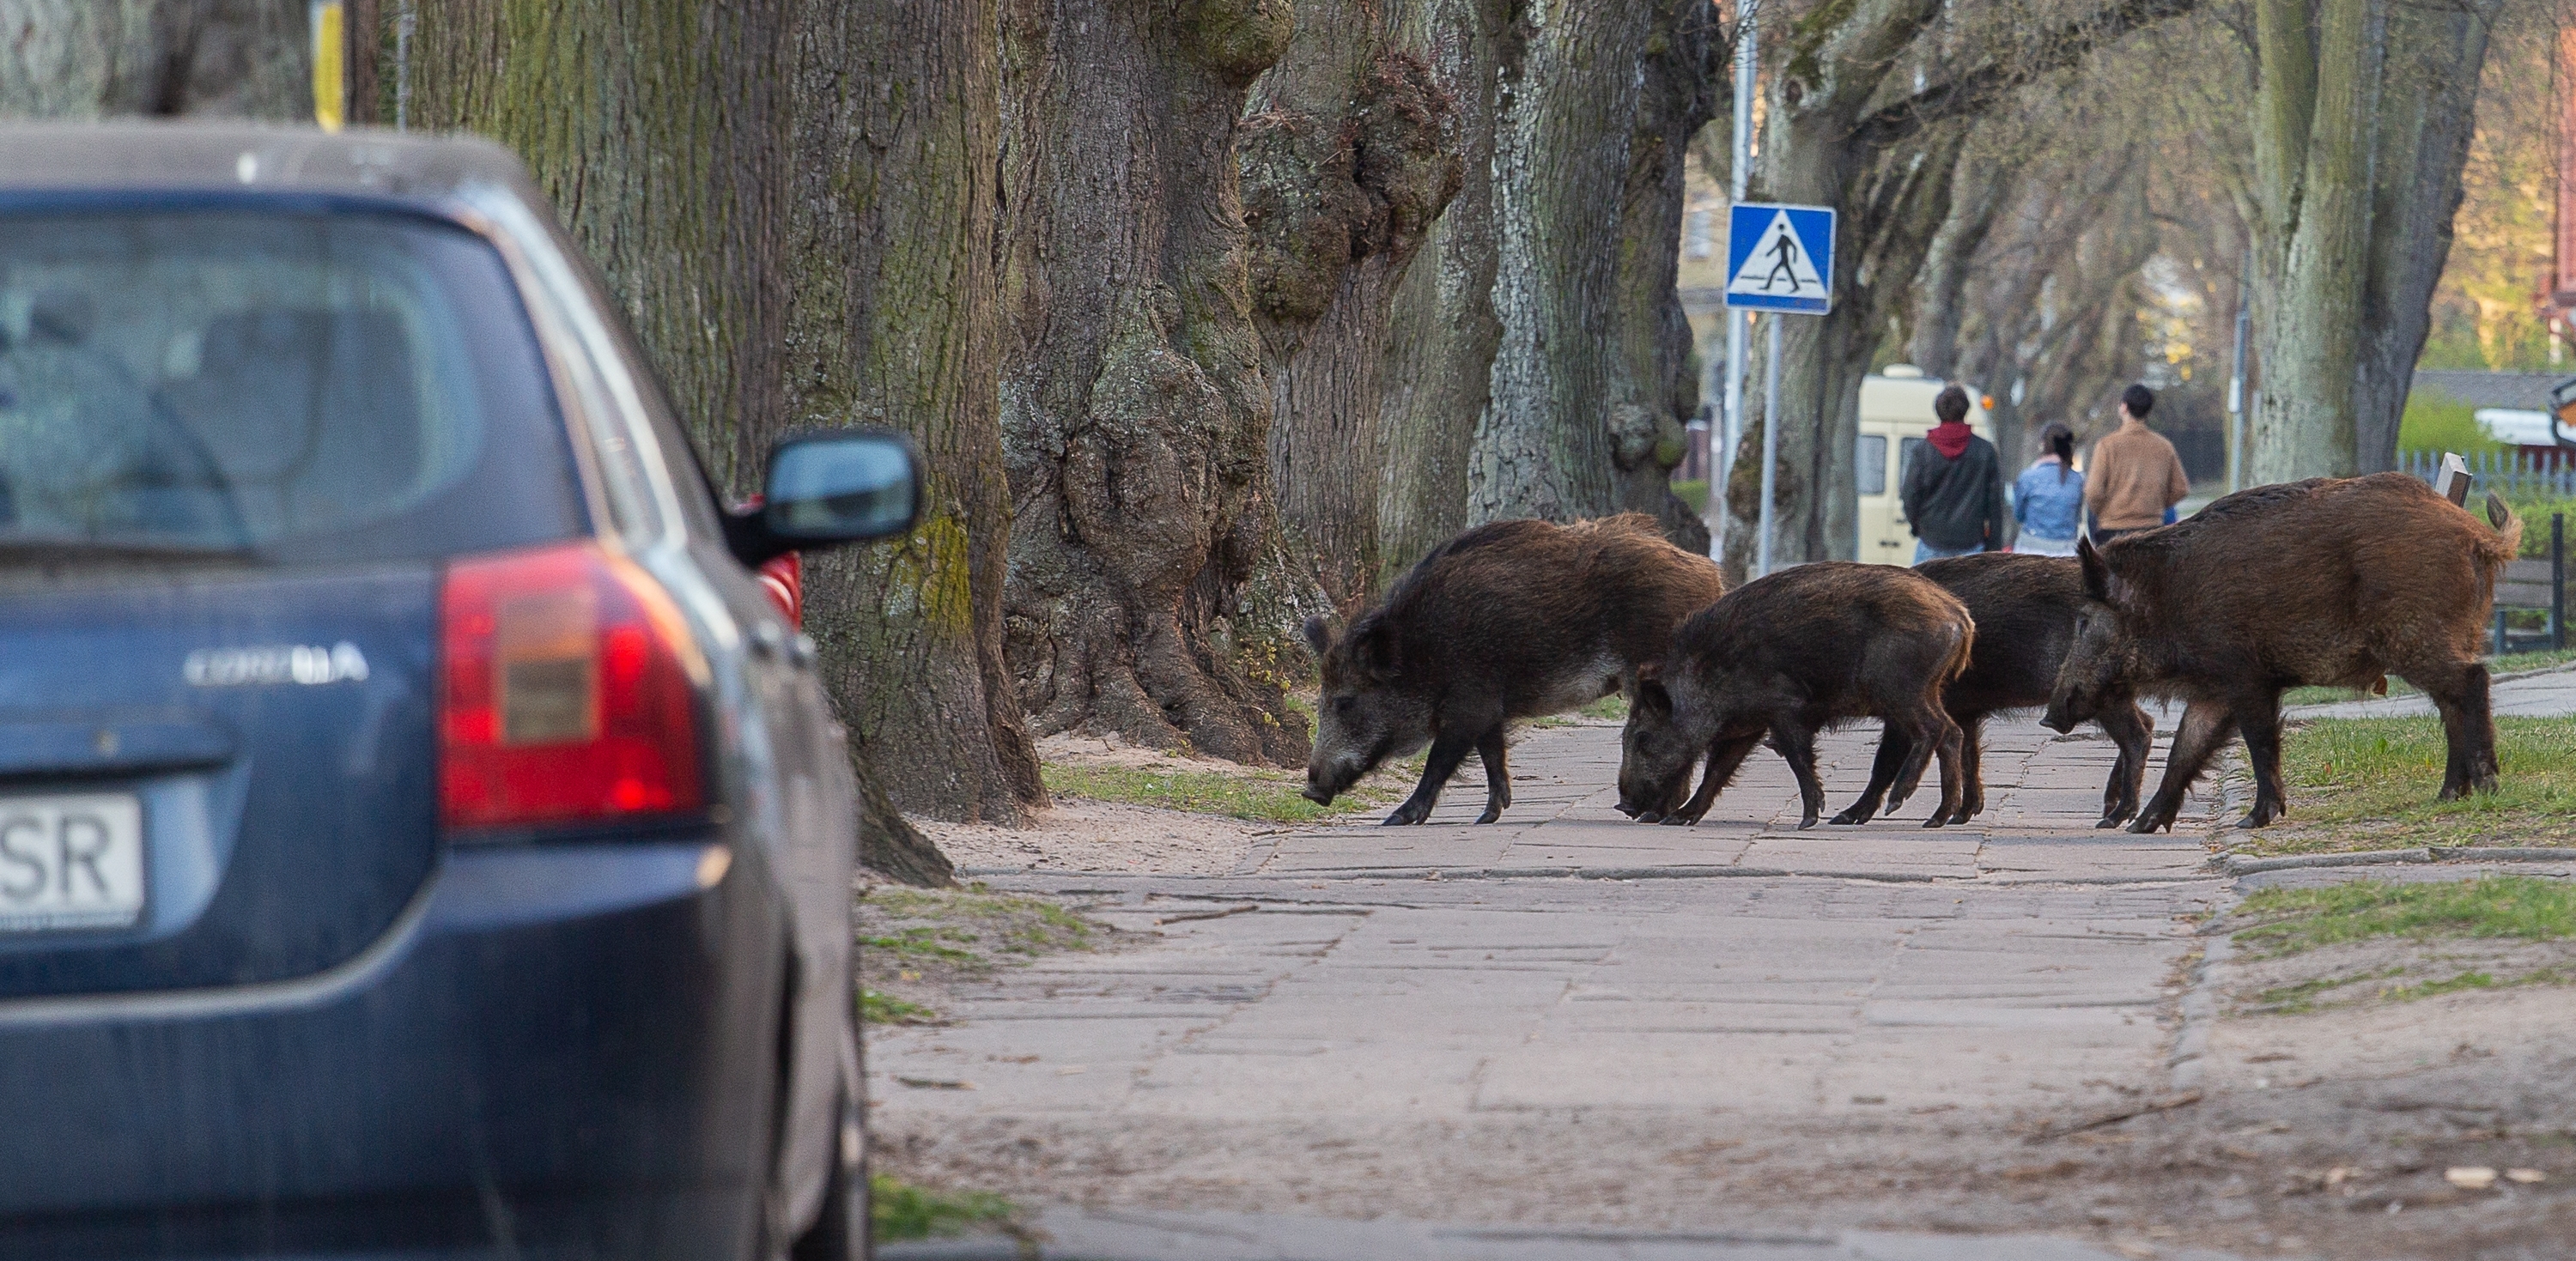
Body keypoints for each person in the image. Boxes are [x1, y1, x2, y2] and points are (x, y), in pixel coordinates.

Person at [1901, 384, 2007, 562]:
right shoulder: (1985, 451)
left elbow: (1909, 495)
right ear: (1965, 410)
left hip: (1931, 542)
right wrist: (1994, 547)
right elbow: (1994, 503)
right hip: (1971, 544)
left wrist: (1917, 527)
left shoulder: (1923, 451)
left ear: (1938, 411)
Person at [2082, 384, 2190, 544]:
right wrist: (2157, 505)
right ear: (2148, 410)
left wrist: (2105, 512)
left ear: (2124, 407)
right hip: (2152, 528)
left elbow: (2093, 491)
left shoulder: (2107, 445)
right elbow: (2181, 488)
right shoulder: (2163, 446)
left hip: (2113, 530)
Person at [2012, 422, 2085, 555]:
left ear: (2043, 444)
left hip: (2031, 550)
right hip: (2067, 552)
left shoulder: (2028, 477)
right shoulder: (2078, 480)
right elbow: (2077, 517)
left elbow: (2019, 515)